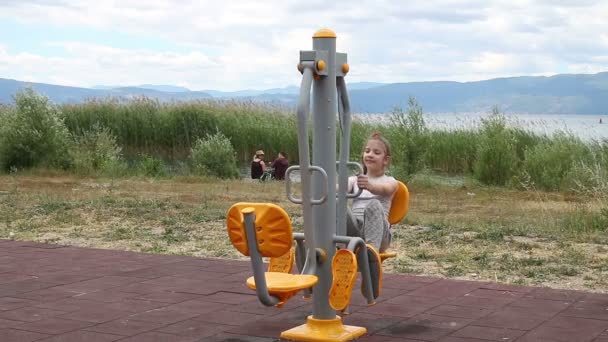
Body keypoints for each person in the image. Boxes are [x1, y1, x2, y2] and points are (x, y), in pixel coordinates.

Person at [346, 132, 397, 253]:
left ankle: (371, 253)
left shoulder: (390, 181)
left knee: (373, 204)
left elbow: (386, 189)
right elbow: (339, 189)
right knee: (337, 203)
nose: (370, 155)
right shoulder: (354, 180)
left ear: (385, 160)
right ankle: (332, 244)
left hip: (379, 234)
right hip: (355, 231)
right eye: (367, 151)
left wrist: (370, 186)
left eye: (376, 152)